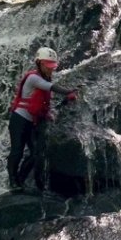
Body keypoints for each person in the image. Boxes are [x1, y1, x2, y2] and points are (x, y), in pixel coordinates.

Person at [7, 46, 77, 192]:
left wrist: (65, 101)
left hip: (31, 122)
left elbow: (46, 105)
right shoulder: (33, 78)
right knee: (17, 150)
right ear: (39, 63)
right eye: (48, 66)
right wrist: (69, 92)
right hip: (19, 120)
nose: (51, 69)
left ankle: (20, 179)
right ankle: (12, 181)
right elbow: (50, 87)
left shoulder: (45, 78)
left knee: (35, 154)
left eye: (52, 67)